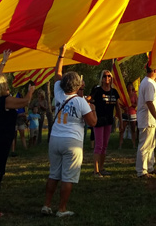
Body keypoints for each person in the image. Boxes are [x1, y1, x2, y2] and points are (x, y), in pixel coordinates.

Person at [42, 47, 97, 218]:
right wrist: (93, 109)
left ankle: (46, 204)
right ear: (79, 85)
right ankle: (62, 208)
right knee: (68, 177)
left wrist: (61, 53)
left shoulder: (58, 93)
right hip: (72, 142)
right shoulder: (81, 103)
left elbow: (57, 72)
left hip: (55, 138)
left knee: (54, 174)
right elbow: (93, 122)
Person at [0, 50, 34, 218]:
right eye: (6, 84)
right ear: (2, 86)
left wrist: (3, 62)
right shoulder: (5, 101)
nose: (8, 87)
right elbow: (25, 102)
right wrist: (30, 90)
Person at [89, 69, 122, 177]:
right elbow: (88, 100)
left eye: (109, 76)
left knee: (104, 145)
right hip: (99, 120)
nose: (107, 78)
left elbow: (117, 107)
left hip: (108, 121)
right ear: (101, 79)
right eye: (104, 76)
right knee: (98, 145)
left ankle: (102, 168)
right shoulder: (97, 91)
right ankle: (96, 171)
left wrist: (121, 121)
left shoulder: (114, 92)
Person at [136, 65, 156, 178]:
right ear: (154, 71)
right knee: (145, 145)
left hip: (150, 120)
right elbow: (149, 102)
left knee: (151, 145)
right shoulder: (148, 83)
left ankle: (149, 166)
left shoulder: (150, 82)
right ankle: (141, 170)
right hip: (147, 119)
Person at [118, 82, 138, 149]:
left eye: (131, 86)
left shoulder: (134, 95)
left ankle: (134, 144)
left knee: (133, 129)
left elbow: (137, 104)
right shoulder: (124, 95)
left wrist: (131, 105)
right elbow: (120, 104)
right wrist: (124, 107)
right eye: (128, 86)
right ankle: (120, 144)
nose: (130, 87)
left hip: (132, 113)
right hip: (125, 113)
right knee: (122, 129)